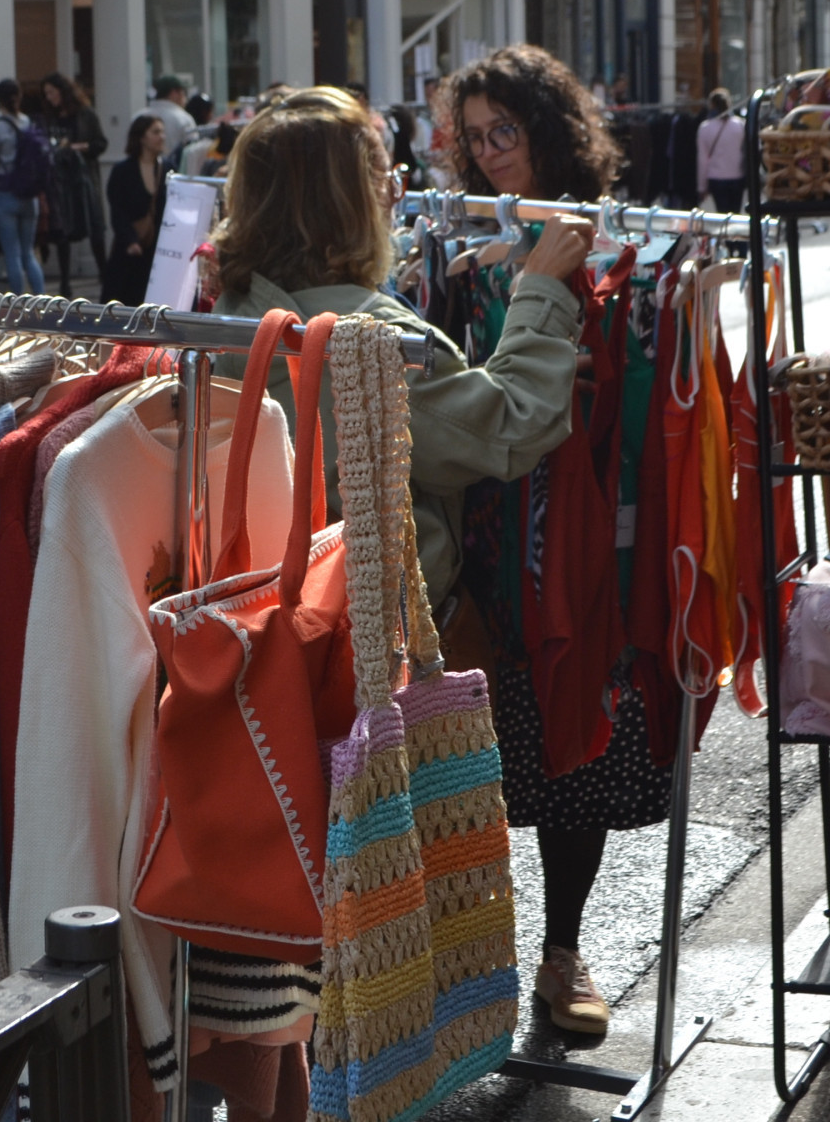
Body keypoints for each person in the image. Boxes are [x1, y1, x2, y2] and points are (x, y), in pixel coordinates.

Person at [209, 82, 597, 1032]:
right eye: (381, 175)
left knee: (291, 871)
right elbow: (510, 427)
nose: (397, 189)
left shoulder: (219, 317)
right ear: (349, 200)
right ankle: (379, 1049)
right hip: (370, 650)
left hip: (251, 642)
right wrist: (542, 293)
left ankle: (286, 1047)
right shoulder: (376, 338)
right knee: (381, 880)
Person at [437, 43, 676, 1036]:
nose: (493, 154)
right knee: (475, 754)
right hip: (487, 541)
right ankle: (467, 960)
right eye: (477, 136)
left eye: (509, 131)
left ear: (549, 130)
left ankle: (562, 949)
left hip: (591, 540)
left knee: (584, 737)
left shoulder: (622, 249)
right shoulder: (454, 262)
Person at [0, 79, 48, 294]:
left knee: (12, 253)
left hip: (5, 194)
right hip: (29, 195)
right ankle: (42, 300)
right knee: (28, 253)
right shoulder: (28, 123)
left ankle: (17, 304)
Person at [41, 72, 110, 266]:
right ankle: (65, 282)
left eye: (52, 92)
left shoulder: (85, 114)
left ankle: (103, 274)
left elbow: (100, 143)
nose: (49, 97)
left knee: (94, 226)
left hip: (84, 176)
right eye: (46, 94)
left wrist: (76, 147)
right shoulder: (51, 116)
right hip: (62, 178)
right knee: (64, 228)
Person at [103, 114, 170, 304]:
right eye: (155, 132)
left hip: (157, 254)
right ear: (141, 137)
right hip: (129, 252)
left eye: (163, 132)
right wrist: (130, 240)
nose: (162, 137)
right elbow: (118, 211)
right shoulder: (123, 171)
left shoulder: (168, 169)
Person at [695, 87, 748, 213]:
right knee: (736, 213)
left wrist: (702, 187)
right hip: (737, 175)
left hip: (716, 177)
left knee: (722, 214)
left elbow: (703, 159)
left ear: (711, 105)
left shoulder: (705, 128)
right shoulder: (740, 125)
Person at [137, 73, 196, 176]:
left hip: (139, 173)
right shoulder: (184, 119)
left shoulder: (138, 116)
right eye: (183, 93)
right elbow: (193, 152)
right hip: (175, 174)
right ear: (174, 93)